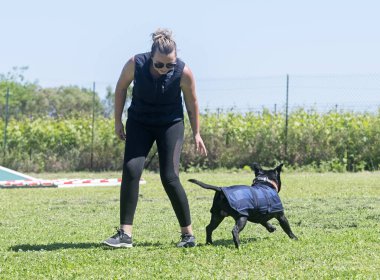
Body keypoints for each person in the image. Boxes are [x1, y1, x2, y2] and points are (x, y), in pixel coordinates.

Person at [103, 28, 207, 248]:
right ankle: (125, 235)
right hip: (140, 122)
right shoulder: (135, 63)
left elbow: (192, 102)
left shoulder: (183, 72)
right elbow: (121, 89)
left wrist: (197, 132)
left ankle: (188, 235)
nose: (164, 69)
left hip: (170, 124)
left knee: (169, 177)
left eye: (169, 64)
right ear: (151, 57)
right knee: (131, 170)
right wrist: (117, 121)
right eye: (159, 64)